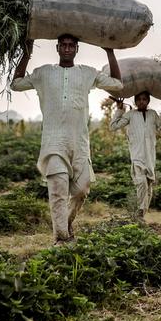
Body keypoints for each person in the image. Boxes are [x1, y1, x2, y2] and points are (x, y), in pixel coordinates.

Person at [10, 35, 123, 244]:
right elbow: (15, 84)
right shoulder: (43, 73)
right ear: (58, 47)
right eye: (64, 45)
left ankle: (67, 223)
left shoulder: (87, 73)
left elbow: (117, 84)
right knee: (58, 192)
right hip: (54, 143)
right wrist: (26, 53)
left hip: (79, 144)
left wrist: (109, 51)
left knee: (81, 190)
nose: (68, 49)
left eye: (72, 46)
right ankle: (61, 239)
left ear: (77, 49)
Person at [110, 91, 161, 222]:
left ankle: (141, 215)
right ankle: (139, 211)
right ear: (135, 101)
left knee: (149, 187)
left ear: (148, 101)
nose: (142, 102)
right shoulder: (131, 115)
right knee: (142, 184)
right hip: (137, 156)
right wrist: (120, 109)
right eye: (139, 99)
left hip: (150, 157)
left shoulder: (153, 114)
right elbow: (113, 126)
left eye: (144, 99)